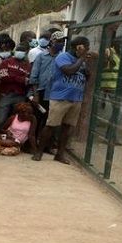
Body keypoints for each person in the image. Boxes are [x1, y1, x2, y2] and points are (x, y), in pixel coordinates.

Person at [34, 35, 95, 164]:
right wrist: (82, 59)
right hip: (60, 97)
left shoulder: (80, 61)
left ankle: (60, 154)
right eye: (86, 46)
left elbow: (84, 76)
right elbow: (68, 71)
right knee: (51, 125)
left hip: (75, 98)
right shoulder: (63, 57)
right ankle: (39, 151)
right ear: (79, 47)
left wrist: (86, 72)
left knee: (67, 127)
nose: (88, 49)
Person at [0, 41, 31, 126]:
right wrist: (19, 78)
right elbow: (4, 77)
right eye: (18, 49)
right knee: (1, 120)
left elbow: (27, 81)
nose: (20, 52)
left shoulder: (28, 65)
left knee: (16, 121)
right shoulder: (7, 62)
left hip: (20, 96)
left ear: (26, 53)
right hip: (6, 94)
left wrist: (12, 76)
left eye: (22, 50)